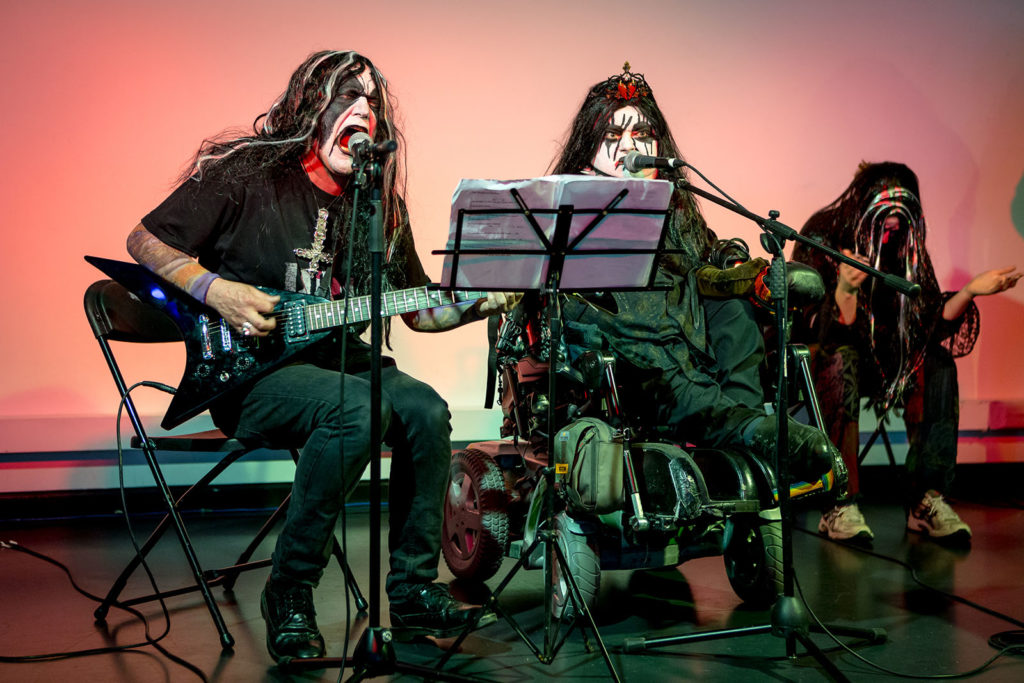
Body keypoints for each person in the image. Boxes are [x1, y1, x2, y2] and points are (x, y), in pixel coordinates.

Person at [127, 50, 513, 662]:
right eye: (344, 102)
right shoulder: (247, 172)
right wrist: (216, 290)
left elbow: (419, 311)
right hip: (247, 373)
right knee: (357, 411)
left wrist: (484, 300)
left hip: (332, 357)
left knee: (424, 408)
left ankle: (411, 590)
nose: (361, 115)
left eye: (371, 110)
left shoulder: (374, 201)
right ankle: (289, 590)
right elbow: (143, 239)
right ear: (310, 110)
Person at [549, 64, 842, 484]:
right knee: (660, 362)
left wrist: (745, 273)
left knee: (734, 309)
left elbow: (704, 259)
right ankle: (750, 434)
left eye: (642, 135)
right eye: (612, 137)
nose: (630, 147)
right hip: (618, 343)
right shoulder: (565, 207)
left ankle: (743, 442)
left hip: (677, 338)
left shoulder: (674, 203)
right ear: (588, 145)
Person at [792, 162, 1020, 542]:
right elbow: (815, 326)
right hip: (829, 355)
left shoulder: (905, 241)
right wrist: (845, 290)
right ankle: (838, 503)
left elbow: (927, 321)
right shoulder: (825, 233)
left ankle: (926, 501)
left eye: (901, 218)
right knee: (839, 359)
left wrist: (969, 291)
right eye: (886, 218)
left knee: (939, 362)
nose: (893, 227)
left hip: (886, 363)